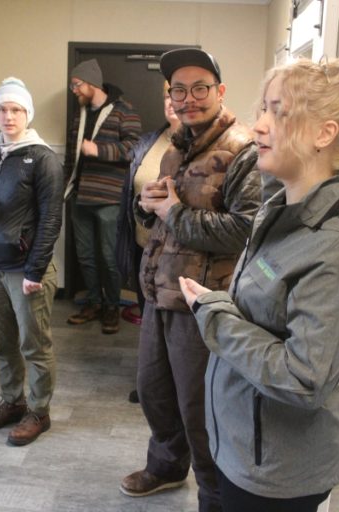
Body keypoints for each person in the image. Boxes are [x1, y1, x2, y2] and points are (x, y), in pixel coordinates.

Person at [178, 54, 339, 512]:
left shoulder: (336, 247)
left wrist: (215, 316)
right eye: (262, 109)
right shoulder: (280, 211)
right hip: (239, 447)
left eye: (276, 111)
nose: (259, 125)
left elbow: (304, 379)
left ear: (324, 133)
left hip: (275, 477)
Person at [119, 48, 262, 512]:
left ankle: (215, 495)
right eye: (178, 90)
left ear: (220, 91)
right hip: (159, 293)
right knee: (155, 393)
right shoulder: (176, 145)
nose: (188, 98)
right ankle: (165, 466)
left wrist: (174, 211)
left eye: (200, 88)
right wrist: (149, 202)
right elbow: (164, 213)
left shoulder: (245, 151)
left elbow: (246, 230)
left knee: (199, 410)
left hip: (203, 304)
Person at [0, 77, 64, 447]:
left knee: (34, 344)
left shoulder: (42, 158)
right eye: (1, 109)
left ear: (28, 113)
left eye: (16, 109)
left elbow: (51, 219)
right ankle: (12, 401)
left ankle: (39, 411)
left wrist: (35, 271)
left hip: (25, 269)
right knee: (1, 342)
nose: (8, 116)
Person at [64, 58, 142, 334]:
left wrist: (99, 151)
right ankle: (94, 303)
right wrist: (66, 188)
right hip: (79, 197)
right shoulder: (80, 114)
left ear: (91, 83)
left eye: (77, 84)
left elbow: (133, 149)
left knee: (108, 256)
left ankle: (112, 307)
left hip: (108, 198)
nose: (74, 90)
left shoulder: (124, 111)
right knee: (85, 256)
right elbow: (72, 155)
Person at [116, 81, 182, 403]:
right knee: (149, 324)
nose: (172, 101)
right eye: (167, 95)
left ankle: (176, 391)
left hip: (182, 256)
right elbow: (132, 194)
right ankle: (152, 385)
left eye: (179, 94)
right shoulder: (149, 141)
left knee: (179, 329)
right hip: (145, 250)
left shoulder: (208, 148)